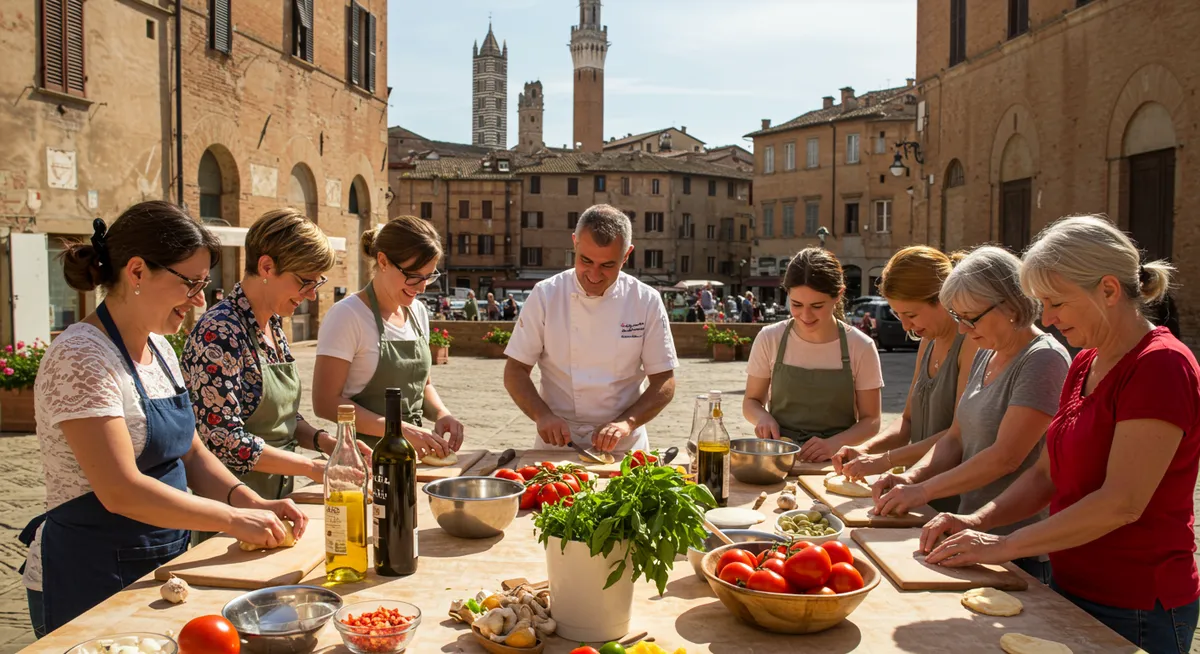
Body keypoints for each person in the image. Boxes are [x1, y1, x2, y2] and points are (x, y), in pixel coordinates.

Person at [21, 201, 305, 636]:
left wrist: (251, 502)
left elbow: (192, 453)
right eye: (191, 283)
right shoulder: (80, 357)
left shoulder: (161, 350)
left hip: (162, 561)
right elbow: (120, 490)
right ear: (137, 271)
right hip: (90, 573)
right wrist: (232, 520)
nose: (200, 300)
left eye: (204, 284)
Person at [923, 216, 1200, 653]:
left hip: (1137, 604)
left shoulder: (1161, 365)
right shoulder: (1085, 361)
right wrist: (977, 521)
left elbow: (1121, 503)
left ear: (1108, 290)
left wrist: (1004, 544)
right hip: (1072, 587)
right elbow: (1044, 475)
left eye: (1056, 303)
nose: (1048, 318)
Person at [872, 246, 1070, 584]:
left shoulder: (1043, 360)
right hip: (971, 535)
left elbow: (1005, 457)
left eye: (970, 318)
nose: (963, 330)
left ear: (1009, 305)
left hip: (1014, 546)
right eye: (957, 317)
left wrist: (923, 491)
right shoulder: (987, 352)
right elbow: (956, 437)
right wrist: (910, 478)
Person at [182, 209, 369, 505]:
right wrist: (312, 467)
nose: (311, 295)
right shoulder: (219, 332)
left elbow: (283, 418)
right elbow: (222, 438)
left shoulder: (272, 324)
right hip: (233, 507)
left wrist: (326, 442)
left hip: (278, 500)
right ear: (267, 267)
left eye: (317, 283)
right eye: (305, 281)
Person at [503, 204, 678, 453]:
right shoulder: (546, 295)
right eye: (585, 261)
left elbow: (664, 380)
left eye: (607, 265)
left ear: (626, 255)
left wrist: (627, 423)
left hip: (623, 445)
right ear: (574, 243)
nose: (594, 275)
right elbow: (515, 370)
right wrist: (542, 415)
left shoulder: (645, 300)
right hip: (559, 441)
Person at [832, 246, 978, 513]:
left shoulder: (971, 342)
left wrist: (884, 460)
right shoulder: (927, 341)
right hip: (916, 491)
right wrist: (866, 449)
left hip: (952, 499)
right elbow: (908, 420)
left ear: (943, 299)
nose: (906, 326)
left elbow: (957, 435)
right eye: (898, 316)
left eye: (911, 315)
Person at [311, 216, 465, 456]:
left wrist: (441, 413)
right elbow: (325, 402)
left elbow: (423, 386)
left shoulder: (417, 312)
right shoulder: (347, 315)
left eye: (429, 276)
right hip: (366, 457)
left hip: (414, 454)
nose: (422, 287)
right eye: (414, 276)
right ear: (383, 261)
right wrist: (398, 429)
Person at [742, 247, 883, 462]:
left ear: (838, 295)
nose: (805, 315)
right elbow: (751, 401)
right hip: (780, 457)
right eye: (796, 304)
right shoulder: (770, 338)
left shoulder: (861, 346)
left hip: (836, 461)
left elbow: (871, 420)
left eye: (817, 306)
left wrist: (835, 443)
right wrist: (762, 417)